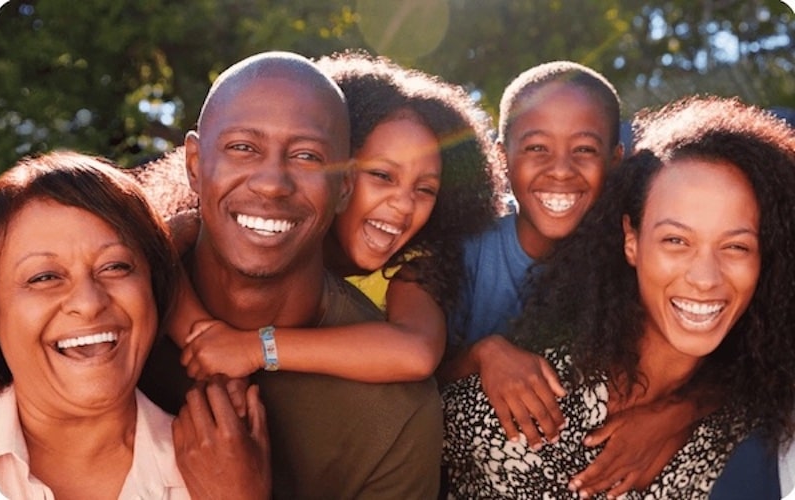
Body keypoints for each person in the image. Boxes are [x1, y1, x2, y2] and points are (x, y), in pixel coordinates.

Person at [442, 96, 795, 499]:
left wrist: (683, 409)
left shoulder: (750, 411)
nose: (704, 278)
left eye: (736, 247)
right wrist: (479, 355)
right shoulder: (520, 399)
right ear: (632, 241)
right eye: (676, 241)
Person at [138, 51, 443, 499]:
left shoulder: (397, 414)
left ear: (343, 187)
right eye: (243, 148)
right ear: (193, 166)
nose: (272, 183)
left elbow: (416, 350)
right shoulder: (113, 316)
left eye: (306, 156)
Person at [162, 50, 501, 384]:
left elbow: (416, 351)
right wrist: (200, 333)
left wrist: (255, 349)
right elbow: (156, 257)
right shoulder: (226, 227)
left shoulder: (408, 270)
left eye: (425, 190)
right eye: (382, 176)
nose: (403, 204)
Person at [0, 152, 268, 499]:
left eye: (115, 267)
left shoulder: (219, 475)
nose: (90, 303)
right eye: (44, 277)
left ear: (153, 290)